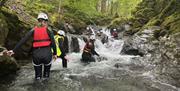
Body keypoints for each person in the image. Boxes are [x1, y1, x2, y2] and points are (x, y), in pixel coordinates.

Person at [7, 12, 57, 80]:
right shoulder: (49, 30)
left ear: (38, 20)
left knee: (37, 77)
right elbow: (53, 43)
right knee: (46, 76)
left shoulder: (33, 30)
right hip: (47, 54)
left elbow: (23, 40)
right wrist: (55, 54)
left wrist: (13, 50)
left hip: (36, 55)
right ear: (46, 21)